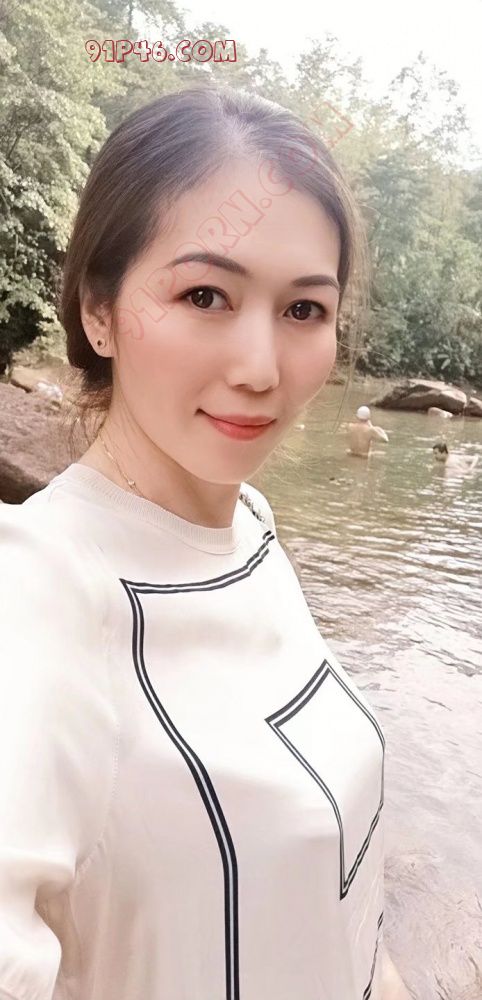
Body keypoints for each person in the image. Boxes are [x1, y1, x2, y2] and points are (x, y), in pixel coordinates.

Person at [0, 87, 410, 1000]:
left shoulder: (249, 526)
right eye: (204, 295)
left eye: (303, 310)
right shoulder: (38, 592)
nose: (261, 369)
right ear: (99, 310)